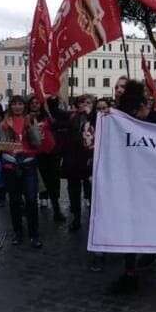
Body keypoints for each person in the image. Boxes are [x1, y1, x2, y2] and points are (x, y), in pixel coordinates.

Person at [107, 80, 156, 300]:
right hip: (130, 183)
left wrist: (143, 120)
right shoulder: (116, 118)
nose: (118, 89)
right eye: (117, 86)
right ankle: (130, 274)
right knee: (129, 230)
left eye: (122, 87)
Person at [0, 95, 43, 248]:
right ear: (10, 106)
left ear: (24, 106)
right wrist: (10, 152)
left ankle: (34, 234)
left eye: (20, 104)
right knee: (15, 201)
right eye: (14, 104)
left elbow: (37, 143)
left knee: (31, 200)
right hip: (11, 165)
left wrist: (30, 127)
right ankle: (17, 232)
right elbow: (3, 146)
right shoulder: (4, 123)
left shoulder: (30, 120)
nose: (17, 107)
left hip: (29, 163)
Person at [61, 95, 96, 232]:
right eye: (82, 102)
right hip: (74, 159)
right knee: (73, 190)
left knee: (91, 189)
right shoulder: (72, 117)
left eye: (88, 102)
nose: (85, 105)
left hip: (89, 160)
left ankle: (94, 217)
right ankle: (76, 217)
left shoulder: (96, 118)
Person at [27, 96, 63, 221]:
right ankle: (41, 201)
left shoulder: (46, 115)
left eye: (37, 102)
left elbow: (56, 125)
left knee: (53, 181)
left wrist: (48, 111)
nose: (35, 105)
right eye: (32, 103)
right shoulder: (27, 118)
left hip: (51, 152)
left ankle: (56, 209)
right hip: (36, 153)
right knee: (39, 179)